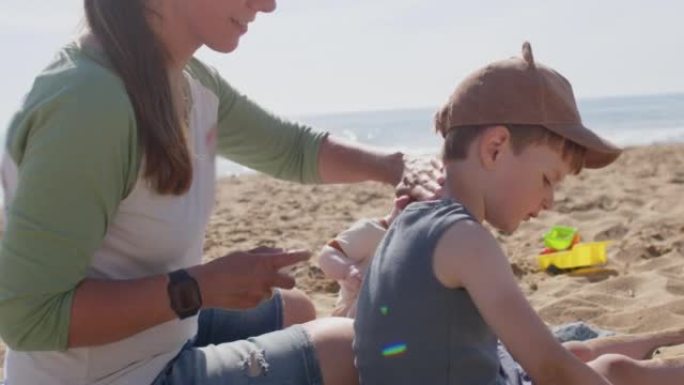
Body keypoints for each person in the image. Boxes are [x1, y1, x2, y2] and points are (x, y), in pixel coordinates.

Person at [0, 1, 442, 385]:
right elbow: (29, 317)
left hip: (159, 339)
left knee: (298, 309)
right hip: (105, 375)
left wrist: (402, 167)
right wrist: (197, 287)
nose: (268, 4)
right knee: (347, 348)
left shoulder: (184, 76)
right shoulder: (89, 103)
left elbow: (292, 149)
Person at [353, 42, 684, 385]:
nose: (549, 201)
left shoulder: (410, 222)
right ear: (495, 149)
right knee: (612, 370)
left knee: (578, 352)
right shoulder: (466, 240)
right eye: (547, 179)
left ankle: (661, 341)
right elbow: (552, 371)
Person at [318, 195, 412, 318]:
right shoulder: (372, 231)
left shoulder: (430, 243)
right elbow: (328, 254)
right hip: (353, 316)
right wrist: (347, 270)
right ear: (404, 205)